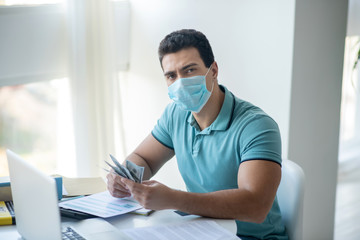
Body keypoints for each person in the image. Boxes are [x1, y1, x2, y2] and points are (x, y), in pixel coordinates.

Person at [107, 29, 288, 240]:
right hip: (201, 232)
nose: (180, 82)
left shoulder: (256, 126)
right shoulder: (175, 113)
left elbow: (255, 206)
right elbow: (144, 158)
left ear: (213, 71)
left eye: (189, 70)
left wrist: (174, 199)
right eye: (171, 75)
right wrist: (125, 178)